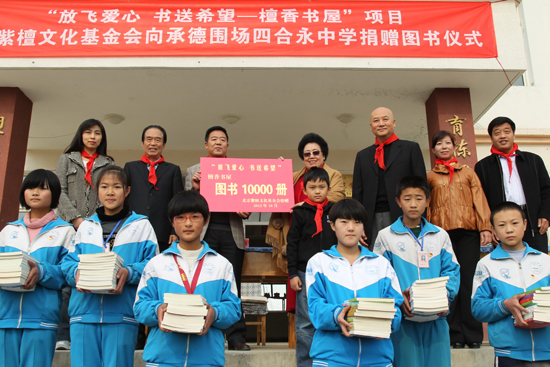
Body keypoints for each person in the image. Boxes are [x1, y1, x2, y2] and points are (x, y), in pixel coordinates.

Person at [61, 166, 158, 367]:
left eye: (116, 187)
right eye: (104, 187)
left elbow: (153, 267)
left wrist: (128, 272)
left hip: (121, 315)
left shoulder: (141, 226)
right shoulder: (86, 226)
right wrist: (77, 274)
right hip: (83, 314)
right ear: (97, 191)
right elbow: (68, 263)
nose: (110, 192)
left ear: (127, 191)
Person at [134, 190, 241, 367]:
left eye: (195, 217)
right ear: (172, 221)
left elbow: (234, 308)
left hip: (207, 360)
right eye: (181, 217)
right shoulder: (156, 264)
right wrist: (157, 310)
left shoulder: (222, 265)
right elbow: (139, 307)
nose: (188, 223)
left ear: (206, 220)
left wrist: (214, 313)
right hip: (162, 361)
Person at [373, 176, 460, 367]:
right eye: (407, 198)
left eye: (419, 198)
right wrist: (398, 298)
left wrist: (445, 296)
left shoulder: (440, 235)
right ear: (398, 201)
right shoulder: (385, 236)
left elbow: (452, 270)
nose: (413, 204)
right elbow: (380, 276)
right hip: (404, 321)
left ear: (428, 201)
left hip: (437, 319)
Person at [306, 198, 403, 367]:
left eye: (357, 222)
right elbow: (315, 308)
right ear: (333, 225)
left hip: (377, 359)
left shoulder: (382, 264)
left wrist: (388, 322)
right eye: (344, 222)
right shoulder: (318, 263)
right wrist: (337, 315)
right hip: (331, 359)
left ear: (363, 226)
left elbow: (396, 307)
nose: (351, 228)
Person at [184, 125, 250, 350]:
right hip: (205, 233)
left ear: (228, 145)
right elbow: (187, 205)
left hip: (232, 234)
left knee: (233, 285)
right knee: (203, 283)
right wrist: (195, 188)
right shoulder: (194, 170)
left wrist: (246, 207)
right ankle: (200, 329)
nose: (218, 142)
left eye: (222, 139)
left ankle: (236, 337)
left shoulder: (239, 170)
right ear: (206, 144)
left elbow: (248, 202)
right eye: (214, 139)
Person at [0, 169, 74, 367]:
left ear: (55, 195)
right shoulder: (9, 231)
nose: (35, 192)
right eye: (30, 187)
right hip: (5, 318)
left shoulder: (65, 231)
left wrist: (42, 271)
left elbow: (68, 273)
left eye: (42, 188)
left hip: (41, 320)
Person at [427, 130, 492, 349]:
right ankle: (454, 334)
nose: (444, 146)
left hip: (468, 233)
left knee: (468, 282)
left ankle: (473, 335)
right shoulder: (430, 176)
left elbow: (480, 200)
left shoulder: (468, 173)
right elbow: (427, 207)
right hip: (441, 235)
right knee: (448, 283)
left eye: (448, 143)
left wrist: (485, 227)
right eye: (439, 144)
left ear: (454, 147)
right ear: (433, 149)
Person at [55, 118, 114, 350]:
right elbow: (59, 191)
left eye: (97, 133)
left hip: (97, 229)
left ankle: (89, 330)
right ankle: (63, 335)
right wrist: (76, 219)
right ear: (80, 135)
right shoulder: (66, 159)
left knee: (93, 277)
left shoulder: (108, 162)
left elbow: (109, 193)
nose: (92, 137)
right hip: (70, 227)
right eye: (88, 132)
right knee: (68, 281)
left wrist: (92, 223)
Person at [472, 201, 550, 365]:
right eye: (501, 225)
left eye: (514, 223)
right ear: (494, 230)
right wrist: (505, 305)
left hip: (546, 351)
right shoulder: (486, 264)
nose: (509, 229)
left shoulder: (545, 261)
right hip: (508, 353)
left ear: (525, 224)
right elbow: (478, 308)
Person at [266, 132, 345, 274]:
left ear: (324, 155)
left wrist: (307, 204)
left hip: (322, 233)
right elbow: (275, 190)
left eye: (316, 152)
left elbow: (337, 197)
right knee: (296, 278)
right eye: (307, 154)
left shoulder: (334, 174)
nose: (311, 156)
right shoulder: (295, 176)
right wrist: (278, 169)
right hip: (295, 229)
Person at [353, 107, 426, 248]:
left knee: (405, 260)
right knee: (374, 262)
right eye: (376, 120)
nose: (381, 123)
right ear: (371, 127)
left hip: (404, 215)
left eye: (385, 119)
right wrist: (358, 223)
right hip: (371, 219)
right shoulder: (362, 156)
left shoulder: (410, 148)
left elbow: (421, 187)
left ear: (394, 123)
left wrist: (420, 221)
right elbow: (358, 194)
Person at [475, 116, 550, 253]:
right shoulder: (483, 167)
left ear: (513, 134)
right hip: (502, 223)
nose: (502, 136)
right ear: (491, 138)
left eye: (507, 131)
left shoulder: (533, 160)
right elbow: (481, 201)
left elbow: (547, 190)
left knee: (538, 266)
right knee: (506, 266)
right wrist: (489, 226)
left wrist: (546, 214)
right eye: (497, 133)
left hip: (533, 222)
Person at [287, 167, 338, 367]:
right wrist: (293, 273)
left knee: (332, 315)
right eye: (312, 187)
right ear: (305, 190)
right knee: (306, 323)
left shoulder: (335, 210)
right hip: (304, 273)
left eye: (322, 187)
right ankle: (306, 363)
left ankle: (330, 361)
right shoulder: (299, 213)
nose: (317, 191)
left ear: (329, 188)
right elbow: (292, 244)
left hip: (332, 273)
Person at [124, 125, 184, 253]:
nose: (153, 143)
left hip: (163, 233)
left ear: (164, 144)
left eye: (157, 140)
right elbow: (124, 199)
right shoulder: (130, 167)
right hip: (133, 229)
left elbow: (178, 203)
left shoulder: (173, 170)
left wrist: (174, 230)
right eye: (149, 139)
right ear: (142, 143)